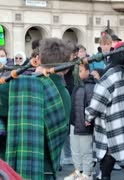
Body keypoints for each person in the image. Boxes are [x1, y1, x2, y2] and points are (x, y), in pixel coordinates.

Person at [0, 37, 72, 179]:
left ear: (38, 59)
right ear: (67, 67)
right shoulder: (64, 94)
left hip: (16, 168)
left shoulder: (19, 88)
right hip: (48, 169)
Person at [85, 42, 124, 180]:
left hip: (114, 129)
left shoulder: (110, 75)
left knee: (107, 169)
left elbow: (97, 102)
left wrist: (88, 116)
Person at [65, 63, 95, 180]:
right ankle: (79, 171)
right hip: (74, 123)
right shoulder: (77, 85)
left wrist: (89, 120)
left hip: (84, 124)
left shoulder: (90, 86)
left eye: (81, 70)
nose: (78, 73)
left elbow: (92, 106)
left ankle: (87, 174)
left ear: (88, 71)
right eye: (78, 71)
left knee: (86, 151)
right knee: (75, 150)